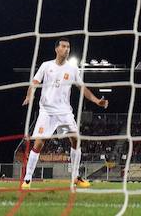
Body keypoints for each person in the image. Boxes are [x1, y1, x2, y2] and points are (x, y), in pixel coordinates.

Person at [21, 38, 108, 190]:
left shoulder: (73, 69)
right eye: (63, 46)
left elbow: (82, 88)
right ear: (57, 49)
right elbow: (34, 83)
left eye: (68, 47)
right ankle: (27, 179)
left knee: (76, 140)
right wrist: (30, 95)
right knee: (39, 143)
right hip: (47, 111)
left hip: (64, 112)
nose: (67, 49)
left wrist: (96, 101)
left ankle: (75, 177)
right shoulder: (46, 65)